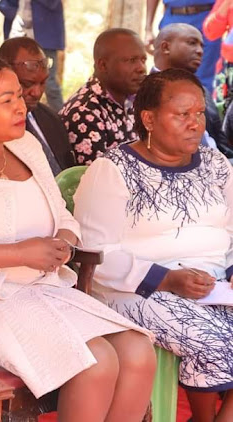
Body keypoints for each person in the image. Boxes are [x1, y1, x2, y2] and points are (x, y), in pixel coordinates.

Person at [0, 52, 156, 421]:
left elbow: (64, 217)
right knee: (95, 361)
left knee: (137, 351)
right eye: (8, 100)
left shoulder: (27, 148)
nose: (22, 106)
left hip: (40, 290)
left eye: (20, 96)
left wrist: (64, 242)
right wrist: (21, 253)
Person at [74, 68, 233, 422]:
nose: (196, 124)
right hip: (138, 288)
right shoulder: (112, 170)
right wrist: (167, 279)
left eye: (199, 113)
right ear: (148, 118)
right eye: (181, 115)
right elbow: (94, 254)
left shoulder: (214, 163)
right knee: (215, 341)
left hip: (214, 285)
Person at [59, 28, 147, 165]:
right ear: (103, 65)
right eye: (131, 60)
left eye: (143, 60)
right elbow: (97, 179)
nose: (141, 68)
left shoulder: (133, 100)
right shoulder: (84, 111)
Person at [0, 36, 75, 175]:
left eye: (43, 83)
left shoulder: (51, 119)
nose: (37, 92)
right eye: (27, 84)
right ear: (3, 76)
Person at [153, 23, 230, 152]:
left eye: (201, 46)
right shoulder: (145, 93)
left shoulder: (201, 91)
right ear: (166, 47)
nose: (200, 51)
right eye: (192, 43)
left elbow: (222, 145)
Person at [146, 0, 220, 92]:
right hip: (173, 16)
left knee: (204, 76)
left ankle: (202, 105)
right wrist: (148, 29)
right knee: (166, 73)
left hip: (206, 17)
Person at [6, 0, 66, 111]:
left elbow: (53, 3)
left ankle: (62, 118)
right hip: (18, 30)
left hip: (46, 35)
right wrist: (11, 13)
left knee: (49, 82)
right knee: (11, 77)